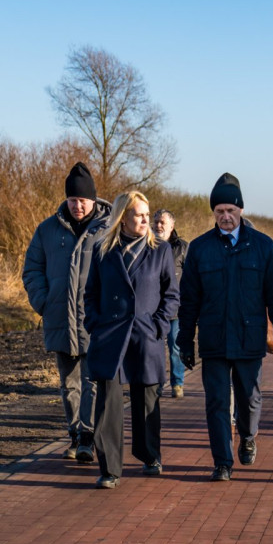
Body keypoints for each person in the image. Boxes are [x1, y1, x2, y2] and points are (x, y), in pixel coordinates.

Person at [176, 172, 273, 481]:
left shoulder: (263, 246)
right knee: (215, 401)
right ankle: (222, 462)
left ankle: (249, 435)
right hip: (214, 338)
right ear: (213, 213)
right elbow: (188, 301)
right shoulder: (200, 249)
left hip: (249, 337)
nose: (225, 217)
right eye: (219, 212)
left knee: (249, 397)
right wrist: (185, 341)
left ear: (241, 210)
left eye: (231, 210)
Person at [84, 192, 179, 488]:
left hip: (145, 333)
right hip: (111, 335)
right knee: (108, 403)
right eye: (138, 214)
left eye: (146, 214)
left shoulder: (160, 250)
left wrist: (159, 326)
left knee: (147, 398)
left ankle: (150, 455)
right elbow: (90, 293)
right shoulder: (102, 250)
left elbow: (172, 295)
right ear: (122, 217)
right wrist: (95, 324)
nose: (144, 219)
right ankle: (110, 468)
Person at [22, 162, 111, 464]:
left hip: (94, 319)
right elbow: (32, 268)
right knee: (68, 383)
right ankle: (74, 433)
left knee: (91, 381)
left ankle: (87, 436)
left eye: (82, 200)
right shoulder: (47, 230)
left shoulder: (109, 229)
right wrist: (43, 302)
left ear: (93, 200)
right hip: (59, 317)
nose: (77, 206)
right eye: (72, 200)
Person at [152, 209, 189, 398]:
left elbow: (190, 278)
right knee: (155, 348)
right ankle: (156, 383)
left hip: (176, 307)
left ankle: (177, 383)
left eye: (162, 222)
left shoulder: (182, 248)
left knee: (176, 346)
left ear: (172, 226)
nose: (158, 225)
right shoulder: (146, 245)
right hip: (152, 308)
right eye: (156, 221)